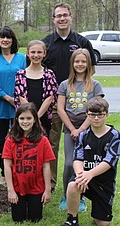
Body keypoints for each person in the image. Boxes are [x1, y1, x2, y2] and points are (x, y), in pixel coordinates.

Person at [42, 2, 96, 192]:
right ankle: (52, 182)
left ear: (71, 17)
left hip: (79, 105)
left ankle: (82, 180)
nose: (62, 18)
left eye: (65, 15)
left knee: (82, 145)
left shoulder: (82, 42)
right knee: (52, 144)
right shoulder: (46, 43)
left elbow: (91, 68)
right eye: (58, 16)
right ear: (53, 19)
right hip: (55, 104)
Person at [57, 48, 104, 211]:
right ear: (72, 64)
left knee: (83, 165)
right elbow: (60, 109)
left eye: (83, 61)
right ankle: (66, 195)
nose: (80, 64)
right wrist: (72, 129)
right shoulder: (65, 84)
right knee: (70, 163)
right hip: (70, 130)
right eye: (77, 61)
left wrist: (82, 129)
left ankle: (81, 198)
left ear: (88, 64)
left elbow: (97, 109)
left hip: (88, 131)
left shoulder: (95, 85)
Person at [62, 97, 120, 226]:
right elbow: (77, 158)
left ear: (107, 114)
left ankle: (98, 212)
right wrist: (80, 175)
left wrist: (90, 174)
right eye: (92, 115)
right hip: (85, 178)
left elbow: (109, 161)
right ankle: (72, 219)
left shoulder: (115, 136)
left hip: (104, 183)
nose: (96, 118)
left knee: (103, 223)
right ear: (87, 115)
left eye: (100, 115)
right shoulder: (83, 135)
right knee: (73, 185)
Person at [2, 102, 55, 223]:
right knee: (18, 219)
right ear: (17, 119)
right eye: (22, 118)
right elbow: (7, 166)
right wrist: (10, 190)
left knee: (35, 219)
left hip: (36, 187)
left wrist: (47, 190)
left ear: (35, 120)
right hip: (17, 186)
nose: (25, 122)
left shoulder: (43, 140)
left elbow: (46, 166)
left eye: (29, 118)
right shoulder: (10, 140)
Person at [0, 26, 26, 185]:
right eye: (2, 37)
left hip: (20, 107)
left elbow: (26, 79)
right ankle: (4, 174)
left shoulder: (22, 58)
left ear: (13, 40)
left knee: (21, 140)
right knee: (4, 141)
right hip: (0, 106)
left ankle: (20, 172)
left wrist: (18, 99)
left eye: (8, 37)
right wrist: (9, 99)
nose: (5, 40)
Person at [14, 40, 58, 136]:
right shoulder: (20, 74)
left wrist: (37, 118)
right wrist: (31, 118)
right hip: (25, 119)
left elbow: (49, 98)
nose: (36, 55)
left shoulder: (49, 74)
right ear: (27, 53)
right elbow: (21, 97)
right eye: (33, 52)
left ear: (44, 54)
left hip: (44, 118)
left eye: (39, 52)